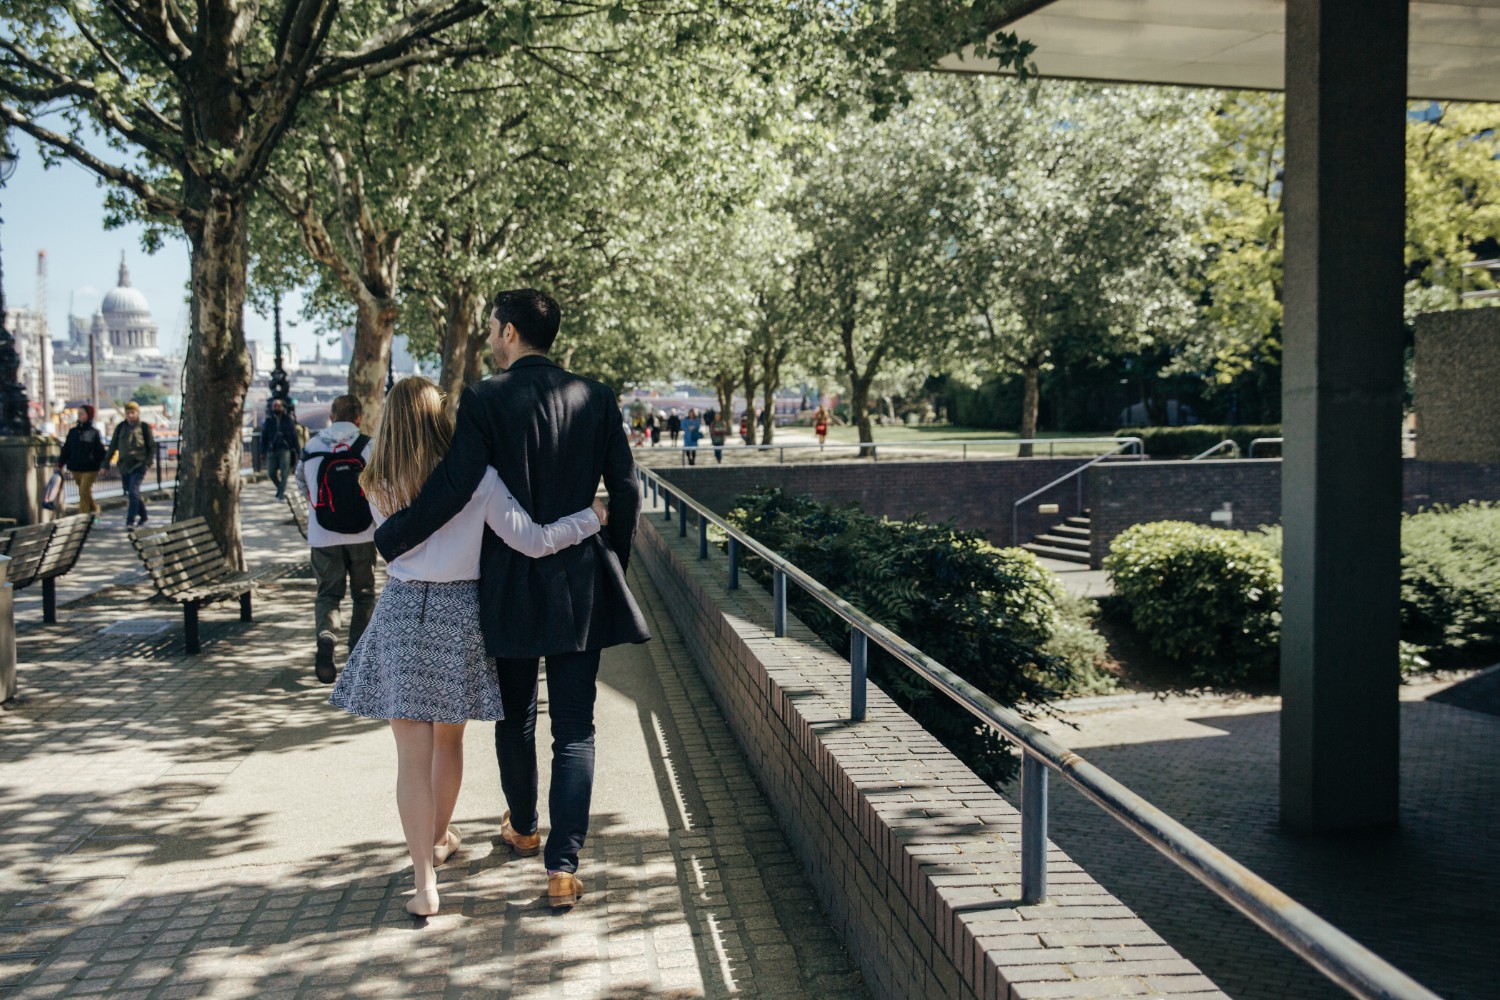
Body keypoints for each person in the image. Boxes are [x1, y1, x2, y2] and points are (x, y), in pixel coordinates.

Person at [375, 288, 649, 911]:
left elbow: (455, 484)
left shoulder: (485, 397)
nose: (491, 337)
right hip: (580, 583)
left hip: (510, 588)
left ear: (509, 333)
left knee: (517, 716)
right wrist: (616, 567)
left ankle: (523, 826)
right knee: (575, 729)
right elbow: (626, 491)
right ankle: (563, 867)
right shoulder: (598, 397)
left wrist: (394, 537)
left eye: (494, 328)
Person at [331, 375, 606, 918]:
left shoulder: (375, 481)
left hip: (403, 610)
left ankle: (424, 881)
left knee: (410, 757)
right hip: (459, 615)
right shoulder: (478, 479)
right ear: (442, 420)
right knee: (448, 744)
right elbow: (532, 539)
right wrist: (589, 518)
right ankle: (438, 837)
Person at [296, 394, 378, 684]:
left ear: (331, 416)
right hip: (363, 533)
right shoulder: (369, 446)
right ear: (358, 418)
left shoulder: (312, 446)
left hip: (323, 534)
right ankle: (357, 656)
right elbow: (381, 486)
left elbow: (301, 483)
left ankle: (327, 636)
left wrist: (320, 510)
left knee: (328, 594)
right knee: (364, 594)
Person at [104, 401, 156, 528]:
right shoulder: (120, 427)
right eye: (128, 413)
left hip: (139, 464)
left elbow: (151, 446)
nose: (130, 415)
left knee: (133, 492)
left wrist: (148, 463)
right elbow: (113, 446)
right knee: (132, 492)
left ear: (137, 413)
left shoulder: (144, 427)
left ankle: (130, 521)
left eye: (133, 413)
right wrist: (105, 463)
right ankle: (143, 515)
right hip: (124, 466)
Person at [57, 405, 106, 519]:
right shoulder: (73, 432)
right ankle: (96, 512)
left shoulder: (94, 433)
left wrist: (104, 465)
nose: (79, 416)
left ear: (89, 415)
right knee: (86, 494)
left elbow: (100, 450)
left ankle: (81, 520)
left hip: (90, 468)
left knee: (83, 492)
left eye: (82, 414)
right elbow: (66, 449)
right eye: (78, 414)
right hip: (76, 467)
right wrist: (60, 464)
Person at [261, 399, 300, 501]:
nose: (277, 408)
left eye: (278, 406)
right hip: (272, 449)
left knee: (285, 472)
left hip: (285, 449)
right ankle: (280, 488)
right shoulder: (269, 421)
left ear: (283, 407)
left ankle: (281, 493)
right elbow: (264, 437)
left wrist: (298, 450)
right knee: (271, 472)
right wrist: (263, 452)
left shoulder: (288, 420)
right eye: (275, 406)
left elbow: (294, 436)